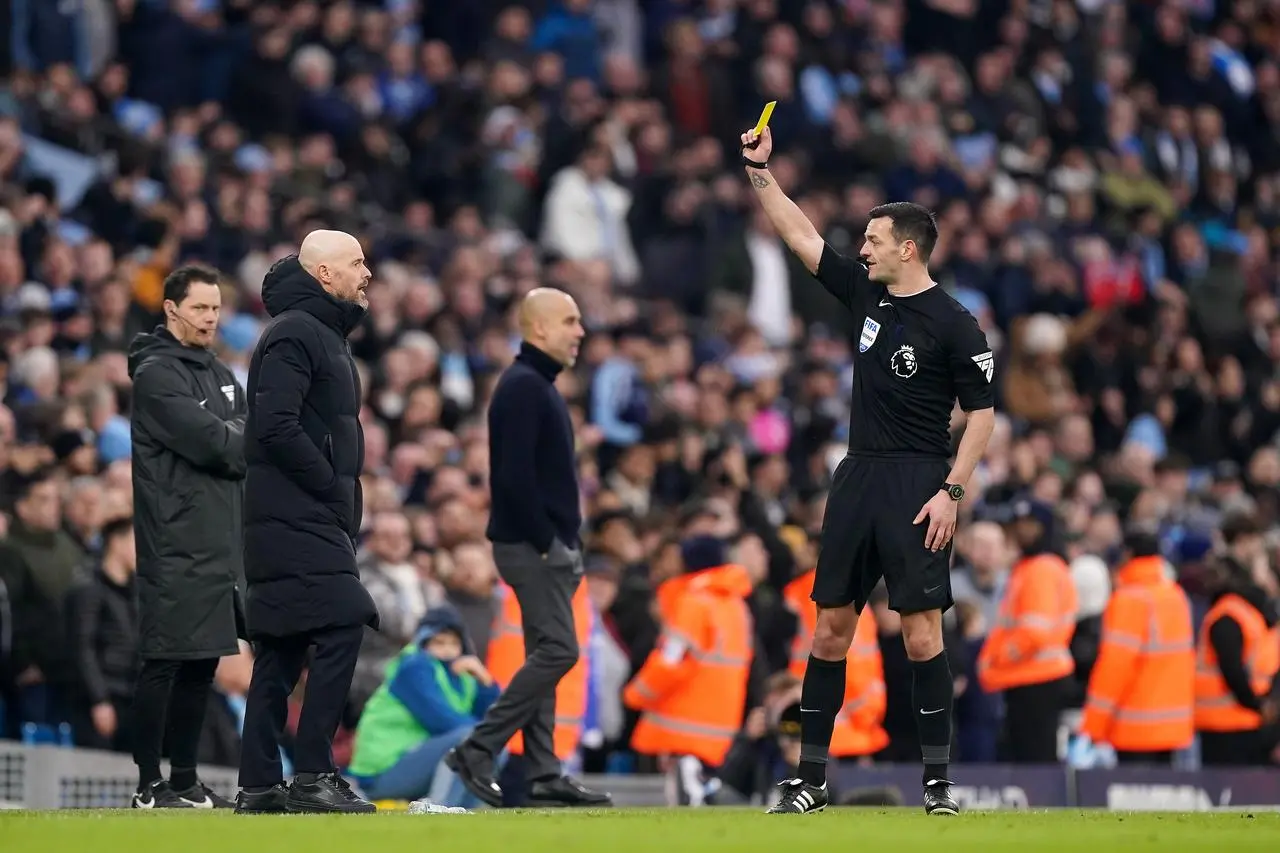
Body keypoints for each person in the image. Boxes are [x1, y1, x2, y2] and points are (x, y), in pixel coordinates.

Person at [740, 125, 997, 816]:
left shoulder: (955, 324)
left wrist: (952, 491)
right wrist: (760, 171)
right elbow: (801, 237)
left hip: (919, 482)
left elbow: (983, 414)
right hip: (858, 477)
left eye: (874, 240)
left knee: (921, 634)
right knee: (829, 628)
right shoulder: (865, 295)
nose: (863, 248)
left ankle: (939, 785)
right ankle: (810, 779)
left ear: (907, 248)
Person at [444, 288, 612, 809]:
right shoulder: (524, 387)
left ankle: (542, 772)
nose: (579, 331)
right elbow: (513, 481)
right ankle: (478, 748)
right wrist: (548, 542)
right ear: (538, 329)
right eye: (570, 320)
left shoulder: (534, 385)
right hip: (531, 547)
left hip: (539, 545)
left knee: (547, 650)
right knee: (561, 650)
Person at [236, 230, 379, 815]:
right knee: (345, 617)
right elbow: (274, 425)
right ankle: (314, 772)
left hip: (296, 515)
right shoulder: (298, 333)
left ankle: (261, 784)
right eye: (357, 263)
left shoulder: (320, 335)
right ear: (324, 274)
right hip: (297, 513)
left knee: (284, 648)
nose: (367, 273)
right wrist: (330, 490)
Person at [127, 263, 248, 809]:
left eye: (217, 308)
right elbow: (218, 446)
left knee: (202, 663)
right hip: (175, 540)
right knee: (166, 660)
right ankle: (147, 783)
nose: (211, 318)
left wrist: (231, 436)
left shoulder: (220, 372)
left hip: (219, 539)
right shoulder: (156, 374)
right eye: (200, 307)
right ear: (171, 308)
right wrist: (230, 437)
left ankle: (184, 779)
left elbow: (249, 434)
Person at [347, 607, 500, 810]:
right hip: (382, 770)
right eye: (439, 642)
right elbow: (442, 721)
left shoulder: (462, 673)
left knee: (495, 740)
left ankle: (469, 812)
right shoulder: (414, 666)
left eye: (453, 643)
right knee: (471, 738)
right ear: (423, 641)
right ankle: (440, 807)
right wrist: (485, 732)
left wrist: (485, 681)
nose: (447, 649)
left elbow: (494, 717)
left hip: (419, 758)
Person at [1077, 526, 1194, 765]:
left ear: (1128, 555)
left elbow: (1115, 667)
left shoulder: (1129, 599)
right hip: (1174, 726)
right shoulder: (1176, 596)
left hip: (1135, 726)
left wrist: (1094, 727)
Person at [976, 501, 1078, 763]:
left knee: (1034, 755)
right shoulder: (1030, 567)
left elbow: (1034, 632)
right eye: (1019, 526)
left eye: (1030, 526)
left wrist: (998, 659)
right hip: (1027, 676)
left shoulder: (1041, 569)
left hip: (1036, 677)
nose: (1023, 532)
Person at [1194, 514, 1280, 765]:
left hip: (1250, 719)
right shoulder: (1231, 613)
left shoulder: (1250, 614)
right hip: (1229, 721)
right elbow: (1232, 667)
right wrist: (1257, 704)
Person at [66, 516, 140, 754]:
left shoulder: (136, 591)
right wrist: (99, 700)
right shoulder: (89, 587)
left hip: (131, 695)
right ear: (116, 543)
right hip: (102, 697)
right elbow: (82, 647)